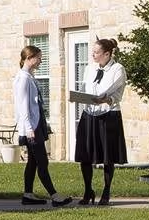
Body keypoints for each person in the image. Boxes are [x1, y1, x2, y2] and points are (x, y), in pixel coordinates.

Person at [71, 36, 129, 206]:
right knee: (85, 155)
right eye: (93, 52)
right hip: (89, 114)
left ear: (107, 54)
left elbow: (110, 91)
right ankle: (88, 190)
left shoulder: (118, 69)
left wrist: (104, 99)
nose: (93, 55)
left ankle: (106, 191)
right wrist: (77, 95)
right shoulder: (90, 68)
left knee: (107, 156)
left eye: (96, 52)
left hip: (108, 115)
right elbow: (85, 87)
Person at [13, 46, 73, 207]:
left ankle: (28, 195)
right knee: (42, 161)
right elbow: (23, 106)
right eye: (38, 58)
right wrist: (29, 128)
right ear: (29, 58)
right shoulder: (23, 78)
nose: (41, 61)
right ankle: (55, 196)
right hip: (31, 126)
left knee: (33, 161)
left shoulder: (28, 76)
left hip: (36, 123)